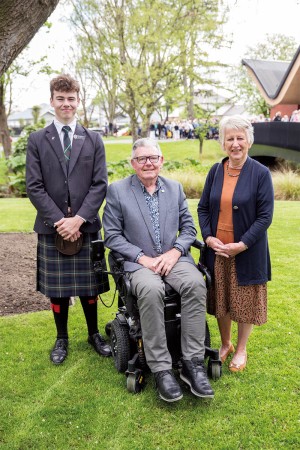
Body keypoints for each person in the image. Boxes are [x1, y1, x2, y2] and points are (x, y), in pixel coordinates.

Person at [103, 138, 214, 402]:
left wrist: (175, 251)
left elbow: (189, 229)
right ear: (133, 163)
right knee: (151, 290)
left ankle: (192, 364)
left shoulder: (174, 189)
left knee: (196, 284)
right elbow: (112, 237)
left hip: (173, 259)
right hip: (139, 264)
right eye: (142, 159)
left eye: (153, 157)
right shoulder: (118, 191)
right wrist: (142, 258)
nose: (148, 163)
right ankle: (162, 368)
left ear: (162, 161)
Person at [26, 74, 111, 365]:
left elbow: (100, 184)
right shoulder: (37, 140)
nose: (66, 104)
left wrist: (79, 219)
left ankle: (93, 333)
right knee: (58, 289)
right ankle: (61, 338)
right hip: (52, 228)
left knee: (90, 286)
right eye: (60, 99)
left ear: (78, 101)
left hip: (85, 226)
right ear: (52, 101)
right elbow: (34, 186)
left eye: (71, 98)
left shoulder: (93, 139)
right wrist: (61, 221)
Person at [197, 115, 274, 372]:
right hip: (218, 250)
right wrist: (208, 237)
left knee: (244, 301)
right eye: (230, 138)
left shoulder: (261, 173)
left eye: (240, 138)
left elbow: (265, 217)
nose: (235, 143)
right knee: (222, 299)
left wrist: (242, 244)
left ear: (249, 141)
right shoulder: (215, 171)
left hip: (246, 251)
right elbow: (203, 208)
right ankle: (226, 343)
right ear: (223, 143)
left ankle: (241, 349)